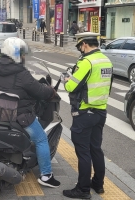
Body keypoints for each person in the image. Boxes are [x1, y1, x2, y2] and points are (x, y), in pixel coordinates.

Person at [0, 37, 61, 188]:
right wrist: (51, 92)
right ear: (16, 55)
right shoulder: (21, 73)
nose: (24, 57)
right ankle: (46, 175)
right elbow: (39, 90)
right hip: (19, 118)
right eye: (22, 54)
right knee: (41, 139)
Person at [61, 32, 113, 199]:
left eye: (80, 46)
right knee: (95, 149)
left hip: (84, 114)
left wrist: (66, 79)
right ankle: (98, 184)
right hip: (100, 112)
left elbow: (70, 87)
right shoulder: (106, 60)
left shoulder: (86, 62)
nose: (80, 50)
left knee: (83, 152)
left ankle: (83, 190)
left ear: (84, 44)